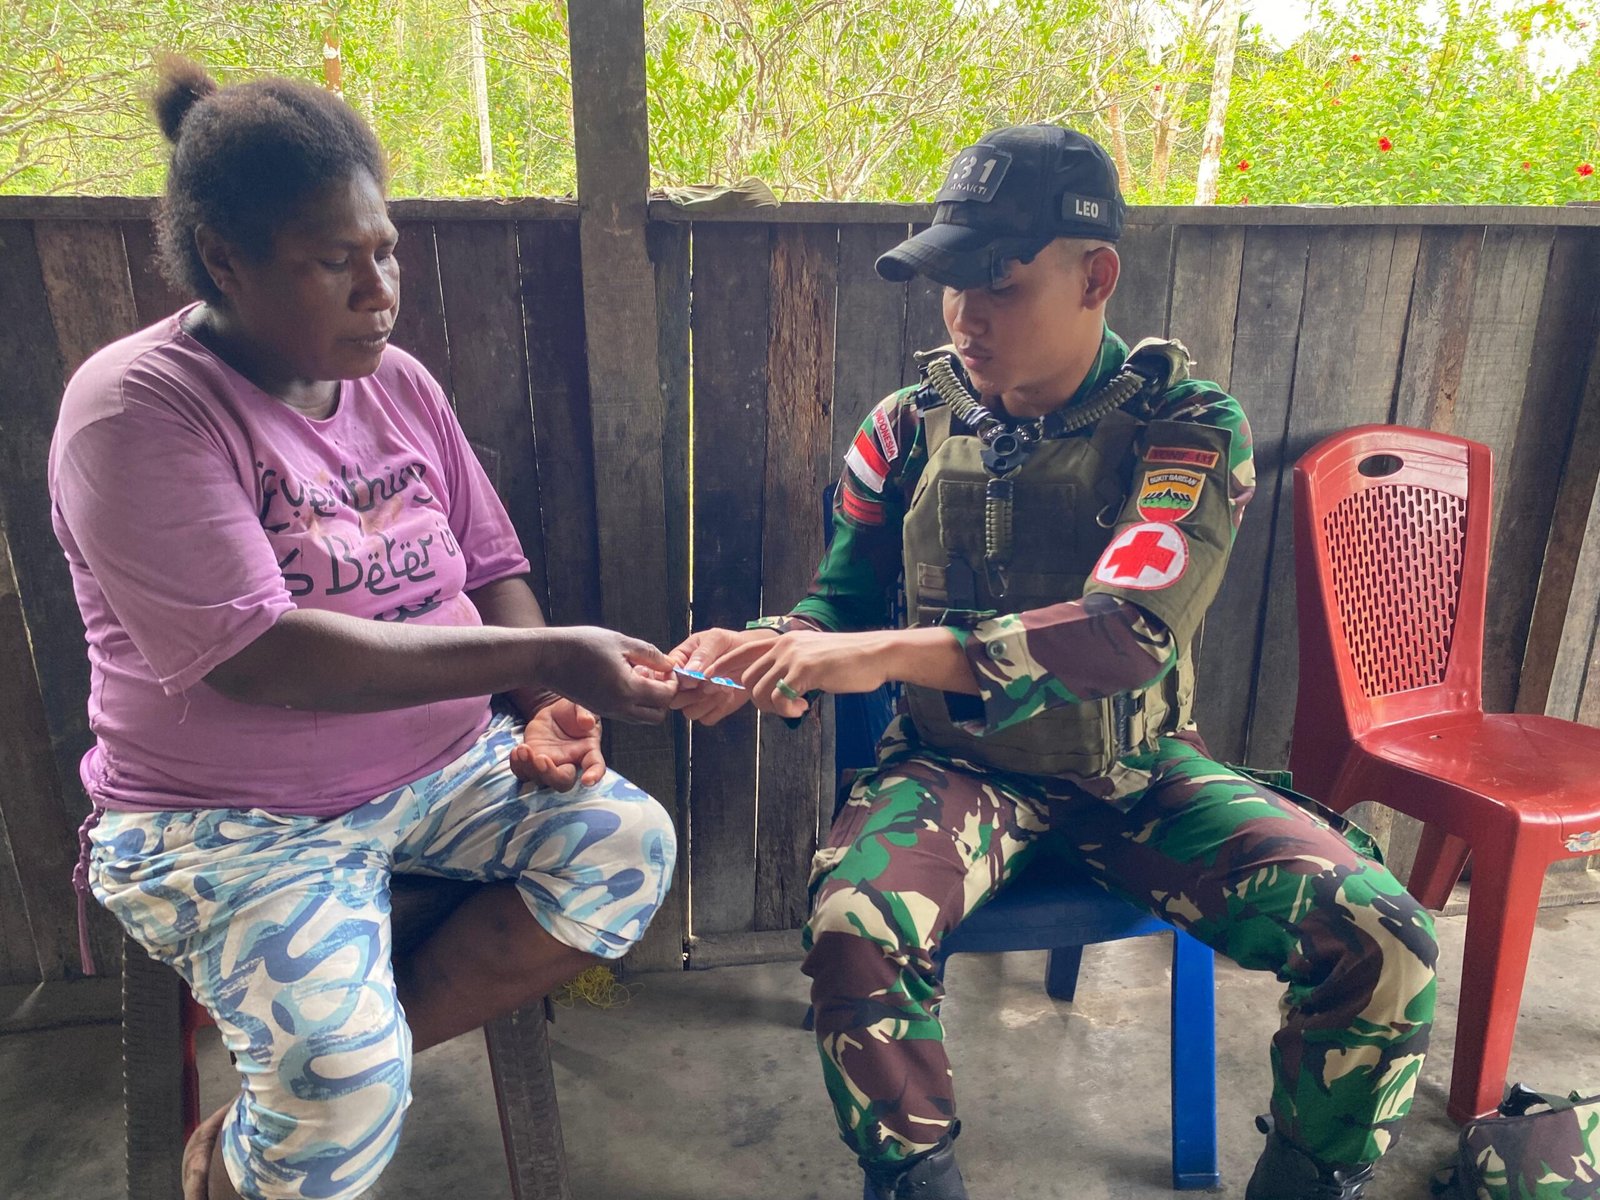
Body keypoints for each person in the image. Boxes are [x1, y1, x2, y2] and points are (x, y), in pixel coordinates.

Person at [672, 124, 1438, 1200]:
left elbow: (1124, 633)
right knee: (854, 927)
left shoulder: (1185, 426)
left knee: (1384, 936)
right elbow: (837, 602)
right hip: (952, 768)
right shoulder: (903, 428)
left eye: (1001, 282)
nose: (965, 315)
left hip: (1138, 775)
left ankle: (1307, 1180)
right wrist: (768, 652)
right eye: (951, 283)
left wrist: (871, 653)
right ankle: (916, 1180)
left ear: (1096, 277)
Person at [53, 59, 679, 1200]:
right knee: (337, 1086)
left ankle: (340, 1078)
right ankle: (243, 1159)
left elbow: (489, 564)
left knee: (626, 849)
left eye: (385, 251)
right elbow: (263, 656)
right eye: (334, 261)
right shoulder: (138, 408)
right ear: (226, 261)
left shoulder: (397, 385)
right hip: (233, 821)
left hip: (447, 773)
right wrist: (548, 655)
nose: (377, 291)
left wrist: (544, 707)